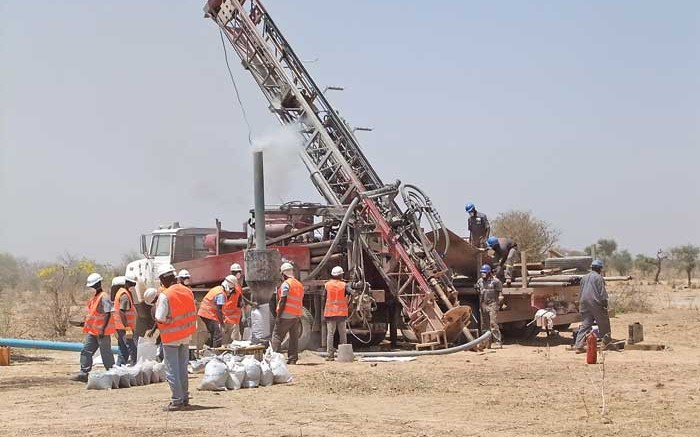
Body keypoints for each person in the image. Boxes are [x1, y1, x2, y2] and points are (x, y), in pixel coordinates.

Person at [154, 264, 197, 411]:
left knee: (172, 370)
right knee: (182, 368)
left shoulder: (165, 295)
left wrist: (167, 322)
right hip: (186, 335)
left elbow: (159, 317)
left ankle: (177, 401)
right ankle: (184, 398)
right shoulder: (188, 292)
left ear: (162, 279)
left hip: (171, 337)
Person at [71, 273, 115, 382]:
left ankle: (112, 373)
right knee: (86, 350)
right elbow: (94, 315)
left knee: (106, 353)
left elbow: (108, 313)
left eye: (94, 285)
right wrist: (83, 323)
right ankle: (84, 373)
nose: (92, 287)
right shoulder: (95, 298)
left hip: (101, 332)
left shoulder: (104, 296)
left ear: (99, 283)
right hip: (92, 331)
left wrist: (102, 329)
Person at [574, 259, 613, 353]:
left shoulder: (584, 278)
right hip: (595, 302)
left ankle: (578, 346)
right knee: (604, 323)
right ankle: (606, 344)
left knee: (585, 325)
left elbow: (581, 291)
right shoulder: (599, 278)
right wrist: (605, 305)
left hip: (583, 303)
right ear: (599, 269)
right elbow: (602, 294)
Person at [271, 262, 304, 365]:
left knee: (276, 336)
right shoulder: (299, 284)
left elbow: (283, 300)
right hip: (296, 315)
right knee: (294, 338)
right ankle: (293, 358)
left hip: (285, 315)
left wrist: (278, 315)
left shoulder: (286, 284)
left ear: (284, 274)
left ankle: (275, 359)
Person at [323, 266, 352, 361]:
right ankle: (343, 355)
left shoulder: (327, 285)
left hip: (330, 313)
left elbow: (324, 298)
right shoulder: (344, 285)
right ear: (340, 275)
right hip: (341, 313)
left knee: (330, 334)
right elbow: (352, 293)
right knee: (342, 334)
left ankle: (329, 355)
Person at [475, 264, 503, 348]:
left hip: (493, 304)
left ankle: (498, 341)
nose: (483, 274)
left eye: (484, 273)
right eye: (482, 273)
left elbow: (500, 293)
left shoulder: (496, 281)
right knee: (484, 325)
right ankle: (486, 342)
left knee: (493, 323)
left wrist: (500, 302)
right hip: (483, 304)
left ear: (488, 273)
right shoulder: (480, 281)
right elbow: (479, 291)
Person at [114, 274, 138, 366]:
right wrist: (127, 328)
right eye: (132, 284)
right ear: (127, 283)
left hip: (120, 326)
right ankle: (133, 365)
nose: (133, 286)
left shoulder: (121, 292)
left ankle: (119, 367)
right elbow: (122, 312)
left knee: (123, 349)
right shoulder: (124, 295)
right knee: (132, 347)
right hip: (125, 328)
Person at [198, 278, 227, 348]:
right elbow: (219, 310)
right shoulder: (221, 294)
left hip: (204, 312)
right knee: (217, 334)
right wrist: (222, 323)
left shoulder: (217, 289)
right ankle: (216, 352)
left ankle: (208, 347)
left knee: (212, 332)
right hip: (208, 313)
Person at [222, 275, 243, 344]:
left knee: (235, 341)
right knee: (224, 341)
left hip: (234, 320)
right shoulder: (222, 290)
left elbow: (240, 304)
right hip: (224, 319)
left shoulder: (237, 292)